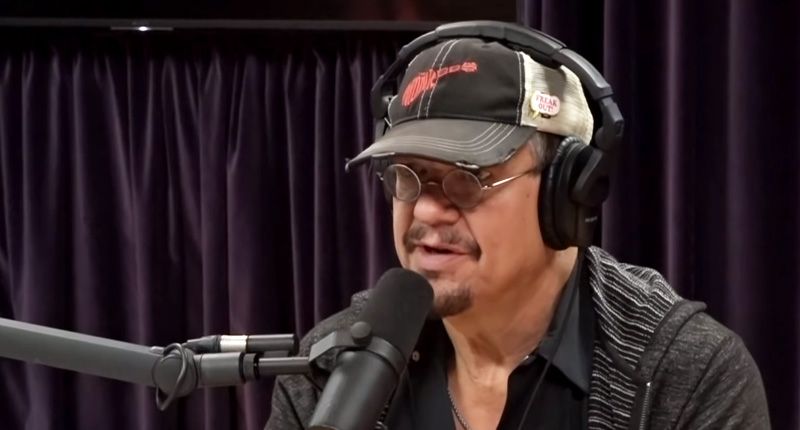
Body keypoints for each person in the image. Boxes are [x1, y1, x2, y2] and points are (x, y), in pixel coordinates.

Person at [265, 22, 770, 430]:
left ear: (565, 192)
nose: (425, 212)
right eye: (407, 176)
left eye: (467, 178)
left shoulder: (687, 375)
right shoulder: (330, 370)